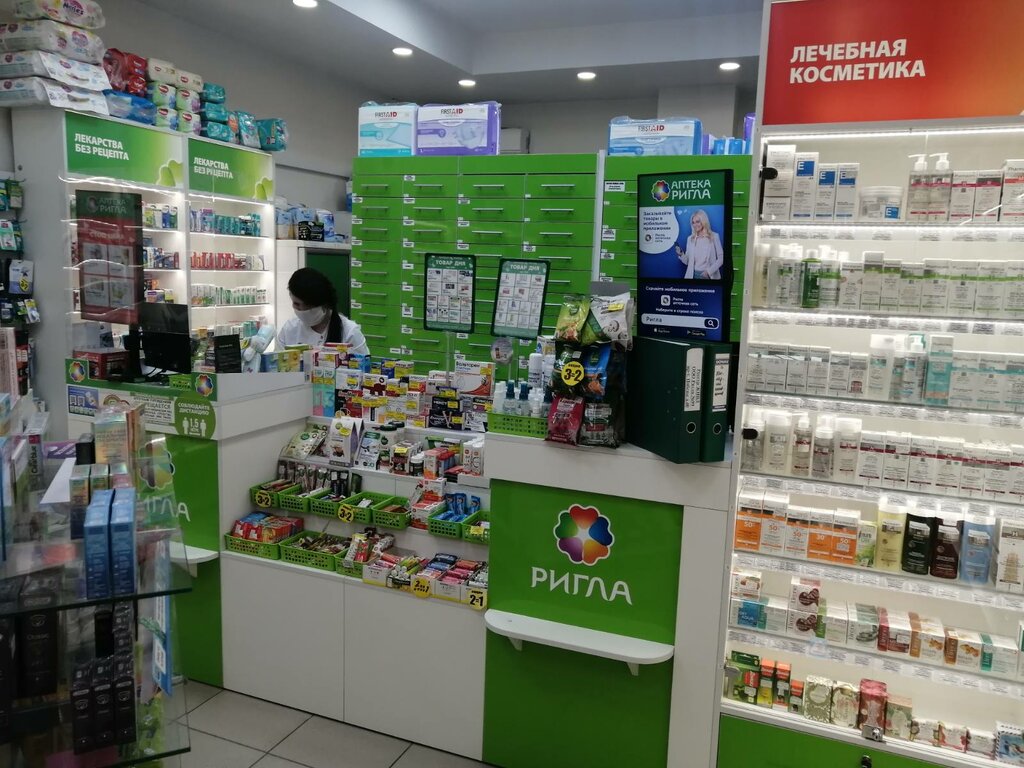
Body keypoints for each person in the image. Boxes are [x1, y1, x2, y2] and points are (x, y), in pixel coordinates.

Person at [276, 267, 370, 353]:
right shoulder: (289, 329)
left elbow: (363, 364)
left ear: (325, 306)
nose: (302, 310)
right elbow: (276, 362)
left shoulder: (350, 333)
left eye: (309, 306)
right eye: (296, 304)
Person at [674, 209, 724, 279]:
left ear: (704, 221)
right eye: (693, 222)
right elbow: (687, 262)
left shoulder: (714, 236)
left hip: (709, 276)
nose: (695, 225)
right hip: (693, 276)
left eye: (697, 221)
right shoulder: (690, 239)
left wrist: (708, 272)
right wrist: (681, 254)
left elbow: (721, 258)